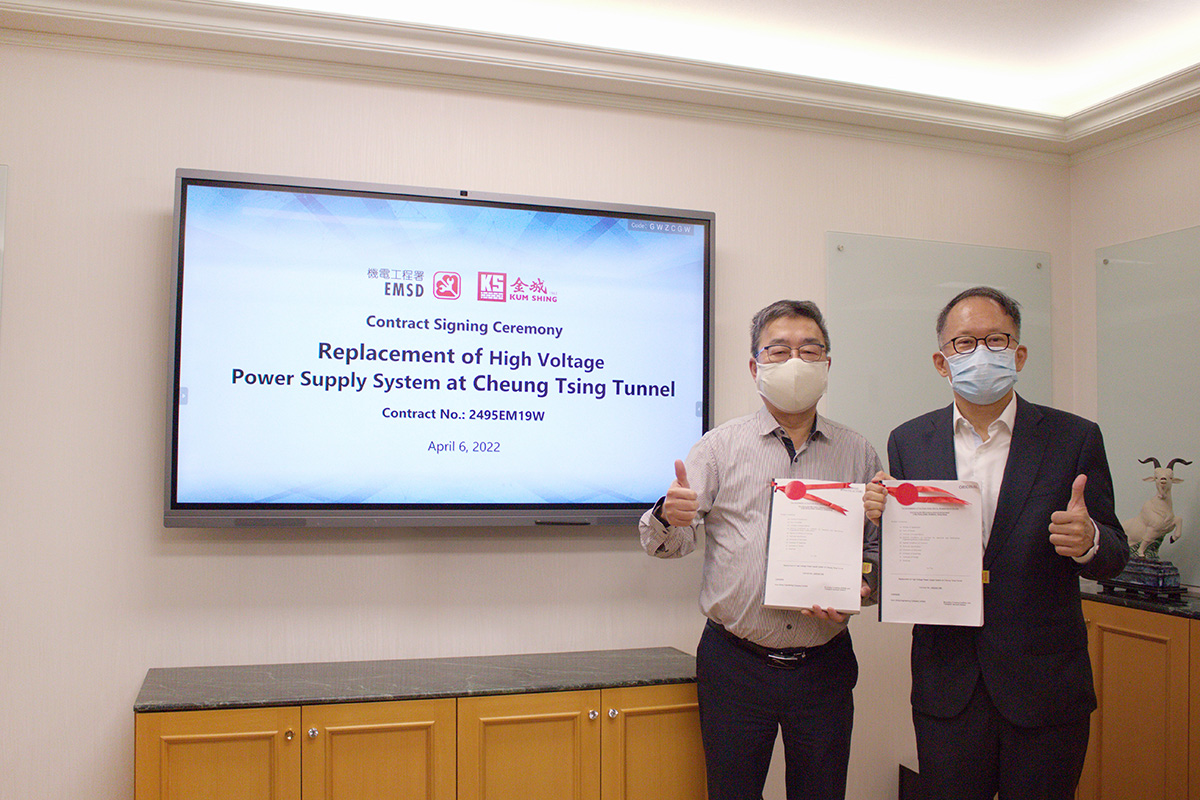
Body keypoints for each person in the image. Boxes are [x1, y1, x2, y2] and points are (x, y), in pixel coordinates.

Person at [862, 286, 1128, 800]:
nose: (980, 352)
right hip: (948, 687)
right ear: (941, 361)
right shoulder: (909, 441)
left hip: (1045, 688)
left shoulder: (1073, 437)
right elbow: (911, 557)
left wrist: (1090, 540)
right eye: (964, 342)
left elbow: (1115, 555)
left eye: (996, 339)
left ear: (1019, 354)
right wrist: (883, 520)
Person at [640, 299, 881, 800]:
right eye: (778, 350)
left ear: (827, 365)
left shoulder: (858, 451)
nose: (795, 361)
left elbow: (874, 551)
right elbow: (668, 545)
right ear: (755, 367)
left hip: (824, 666)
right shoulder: (718, 447)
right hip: (736, 664)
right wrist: (668, 516)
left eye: (809, 350)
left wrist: (864, 586)